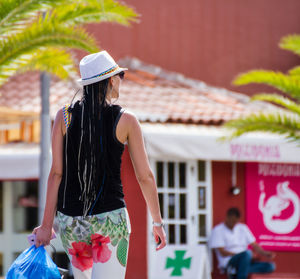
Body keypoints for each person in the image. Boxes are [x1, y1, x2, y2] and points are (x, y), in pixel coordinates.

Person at [33, 50, 166, 279]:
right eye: (119, 77)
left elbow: (56, 174)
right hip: (111, 221)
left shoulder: (64, 117)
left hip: (71, 221)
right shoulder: (126, 120)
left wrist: (46, 226)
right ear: (111, 81)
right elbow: (145, 177)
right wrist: (157, 222)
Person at [209, 207, 275, 279]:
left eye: (236, 222)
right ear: (227, 217)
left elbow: (254, 244)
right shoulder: (218, 230)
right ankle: (238, 272)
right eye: (232, 221)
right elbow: (222, 252)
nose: (234, 224)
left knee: (270, 266)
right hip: (230, 261)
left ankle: (237, 271)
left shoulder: (243, 228)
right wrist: (242, 256)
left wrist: (264, 253)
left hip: (245, 262)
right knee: (247, 254)